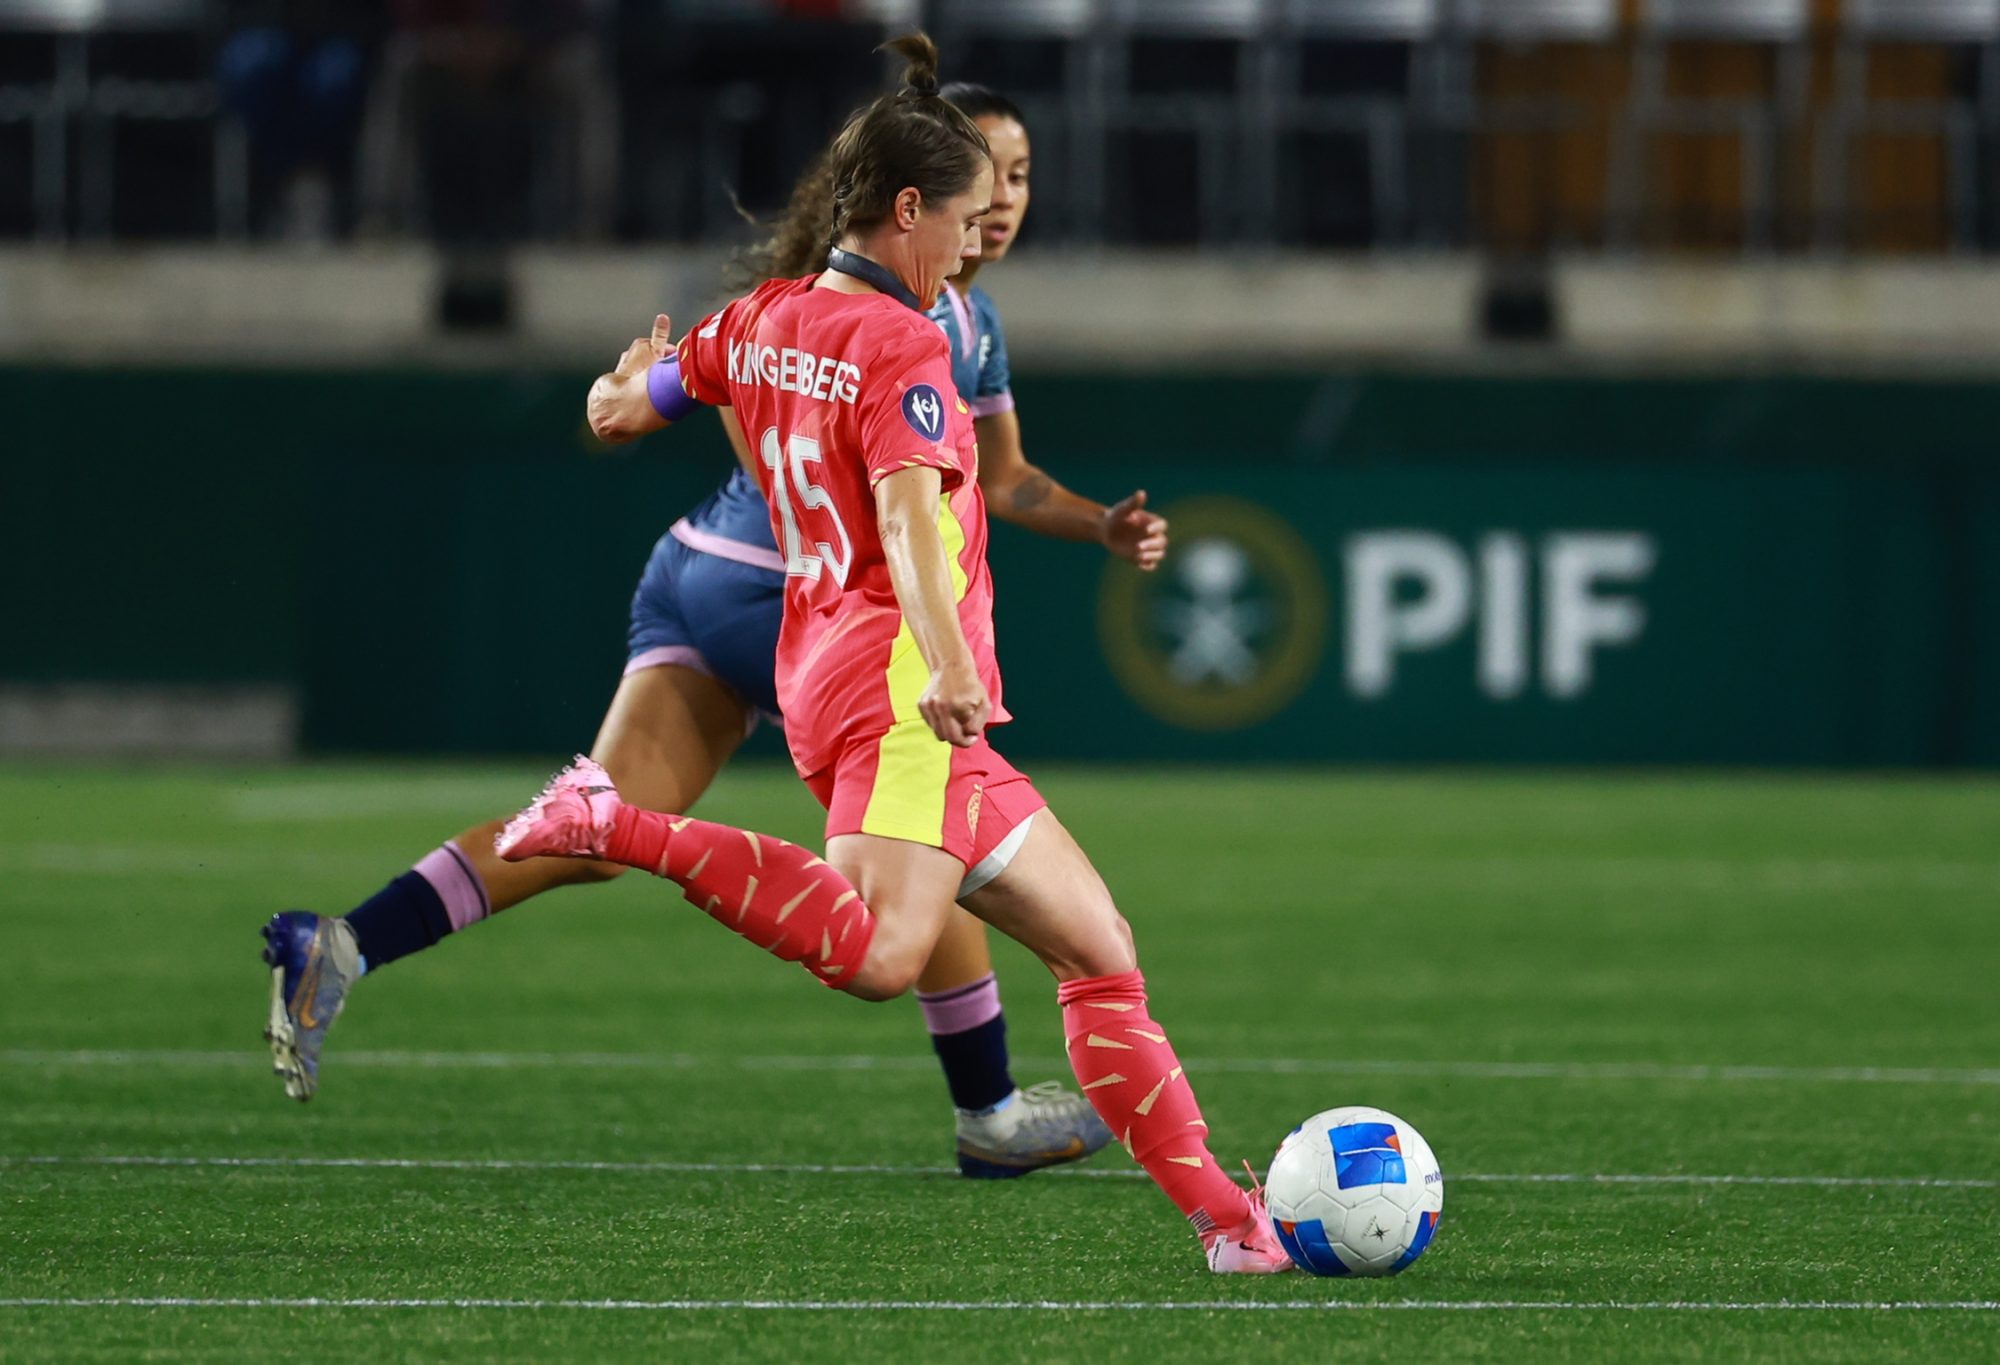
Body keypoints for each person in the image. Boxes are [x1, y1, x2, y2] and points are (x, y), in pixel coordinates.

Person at [261, 76, 1164, 1182]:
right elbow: (858, 500)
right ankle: (986, 1108)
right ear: (913, 192)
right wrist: (926, 639)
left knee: (602, 824)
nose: (1004, 202)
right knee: (936, 826)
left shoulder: (863, 310)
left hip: (694, 569)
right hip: (793, 602)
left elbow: (998, 476)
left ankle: (349, 940)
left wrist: (1095, 526)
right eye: (987, 175)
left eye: (1019, 178)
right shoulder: (907, 323)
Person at [490, 33, 1291, 1273]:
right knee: (879, 956)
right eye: (966, 216)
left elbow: (613, 411)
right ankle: (609, 820)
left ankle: (1233, 1232)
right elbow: (916, 517)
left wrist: (621, 382)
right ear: (906, 208)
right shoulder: (908, 346)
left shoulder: (752, 318)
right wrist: (949, 660)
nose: (978, 239)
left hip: (826, 665)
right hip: (899, 685)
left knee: (1100, 952)